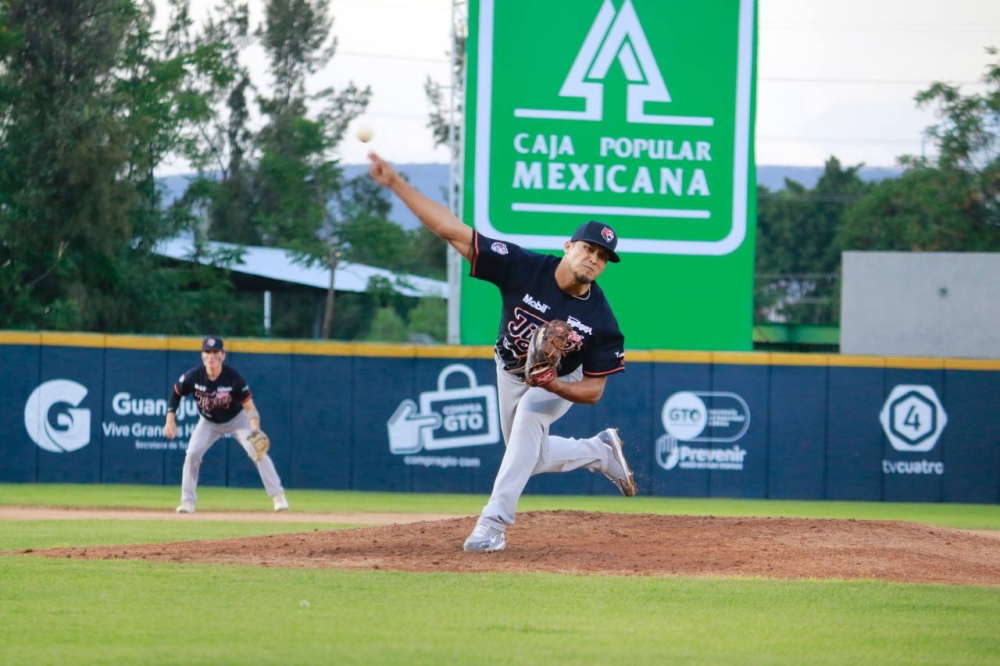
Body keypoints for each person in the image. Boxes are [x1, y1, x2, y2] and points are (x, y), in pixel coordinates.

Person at [368, 152, 636, 553]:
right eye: (587, 248)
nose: (594, 258)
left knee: (531, 415)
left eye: (602, 256)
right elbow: (452, 231)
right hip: (509, 370)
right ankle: (598, 451)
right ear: (568, 246)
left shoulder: (600, 319)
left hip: (562, 379)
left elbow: (595, 391)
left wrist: (555, 384)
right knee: (528, 454)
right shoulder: (524, 268)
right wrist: (395, 183)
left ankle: (492, 525)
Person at [163, 336, 289, 513]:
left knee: (257, 449)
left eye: (215, 352)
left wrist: (255, 429)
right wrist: (170, 419)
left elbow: (250, 408)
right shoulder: (193, 376)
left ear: (223, 355)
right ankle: (187, 502)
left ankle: (278, 496)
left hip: (237, 420)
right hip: (208, 422)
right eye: (207, 352)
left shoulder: (233, 378)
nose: (211, 356)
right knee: (192, 453)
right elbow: (176, 394)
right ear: (202, 355)